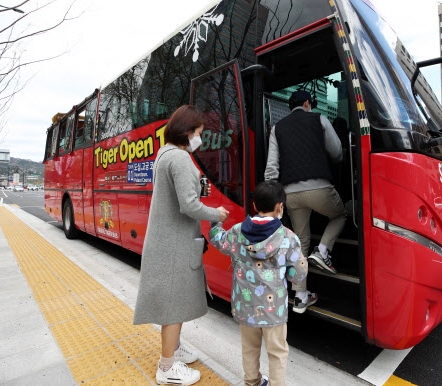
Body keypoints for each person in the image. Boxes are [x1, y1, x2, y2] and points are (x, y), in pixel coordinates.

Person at [133, 105, 229, 385]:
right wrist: (216, 213)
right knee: (174, 306)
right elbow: (188, 206)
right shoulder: (180, 159)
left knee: (175, 302)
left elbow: (181, 196)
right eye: (199, 133)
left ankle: (174, 349)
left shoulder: (165, 155)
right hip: (174, 244)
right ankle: (167, 369)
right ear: (187, 132)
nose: (200, 138)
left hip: (167, 241)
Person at [208, 180, 316, 386]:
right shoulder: (288, 237)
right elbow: (298, 274)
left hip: (245, 306)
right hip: (273, 310)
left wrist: (216, 221)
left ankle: (252, 382)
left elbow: (218, 239)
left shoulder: (238, 231)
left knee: (249, 348)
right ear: (280, 207)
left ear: (255, 206)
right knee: (277, 351)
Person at [264, 90, 346, 276]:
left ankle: (300, 295)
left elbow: (271, 167)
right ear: (307, 104)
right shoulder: (320, 119)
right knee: (340, 215)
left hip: (290, 194)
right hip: (320, 189)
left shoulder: (277, 128)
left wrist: (272, 199)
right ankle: (323, 251)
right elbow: (336, 153)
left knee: (301, 240)